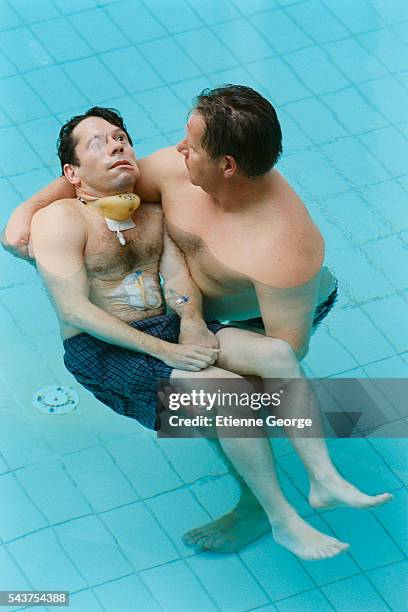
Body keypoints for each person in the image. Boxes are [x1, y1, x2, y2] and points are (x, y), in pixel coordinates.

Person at [1, 90, 390, 556]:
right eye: (102, 143)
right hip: (149, 336)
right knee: (228, 400)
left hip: (265, 314)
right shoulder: (167, 173)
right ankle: (285, 506)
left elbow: (288, 345)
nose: (175, 148)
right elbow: (78, 270)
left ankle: (304, 485)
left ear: (226, 165)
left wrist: (193, 330)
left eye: (120, 139)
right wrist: (26, 214)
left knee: (263, 369)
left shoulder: (285, 247)